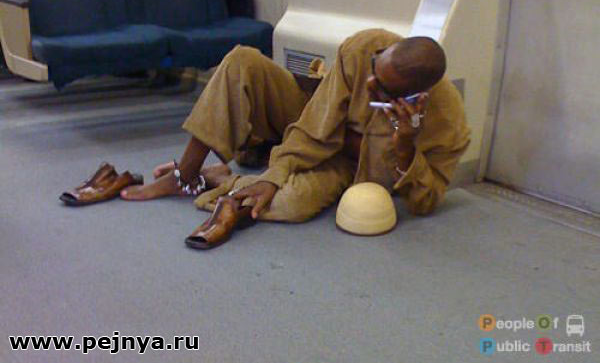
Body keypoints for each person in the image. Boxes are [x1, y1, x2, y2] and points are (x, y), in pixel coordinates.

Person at [121, 29, 470, 246]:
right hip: (315, 128)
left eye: (381, 86)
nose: (369, 83)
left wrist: (405, 147)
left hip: (348, 168)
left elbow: (425, 202)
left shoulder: (448, 121)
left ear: (413, 97)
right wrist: (275, 175)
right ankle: (185, 174)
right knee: (242, 60)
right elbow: (315, 125)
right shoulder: (367, 47)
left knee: (288, 204)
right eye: (374, 69)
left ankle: (221, 178)